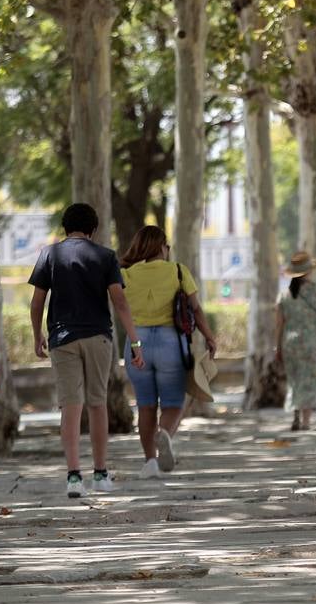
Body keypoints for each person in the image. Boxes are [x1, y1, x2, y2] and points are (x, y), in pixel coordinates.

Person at [29, 203, 143, 498]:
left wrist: (36, 334)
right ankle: (101, 474)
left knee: (70, 406)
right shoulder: (105, 256)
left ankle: (73, 476)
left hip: (62, 338)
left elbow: (37, 301)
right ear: (93, 230)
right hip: (98, 337)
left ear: (65, 227)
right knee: (97, 403)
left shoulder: (49, 255)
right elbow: (119, 302)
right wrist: (134, 341)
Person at [119, 225, 217, 478]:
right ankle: (164, 434)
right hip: (170, 341)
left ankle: (150, 461)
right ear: (162, 247)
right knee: (174, 402)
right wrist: (209, 337)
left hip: (136, 342)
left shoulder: (126, 274)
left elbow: (118, 306)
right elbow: (195, 309)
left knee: (145, 405)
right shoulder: (177, 270)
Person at [275, 251, 316, 431]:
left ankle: (296, 413)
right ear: (309, 271)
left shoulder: (284, 296)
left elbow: (279, 325)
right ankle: (305, 421)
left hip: (291, 344)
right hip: (315, 344)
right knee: (310, 380)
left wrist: (277, 347)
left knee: (295, 380)